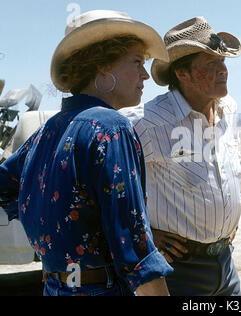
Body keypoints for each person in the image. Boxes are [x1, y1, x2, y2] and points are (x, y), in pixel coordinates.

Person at [0, 10, 174, 296]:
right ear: (102, 68)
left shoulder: (49, 129)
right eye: (137, 62)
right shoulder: (111, 127)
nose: (145, 74)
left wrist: (48, 235)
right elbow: (135, 248)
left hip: (56, 287)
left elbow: (4, 186)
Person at [120, 16, 241, 296]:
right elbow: (101, 181)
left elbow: (225, 171)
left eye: (222, 62)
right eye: (210, 65)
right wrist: (144, 234)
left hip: (225, 263)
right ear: (182, 74)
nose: (222, 70)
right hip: (177, 271)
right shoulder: (148, 122)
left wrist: (233, 208)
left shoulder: (229, 109)